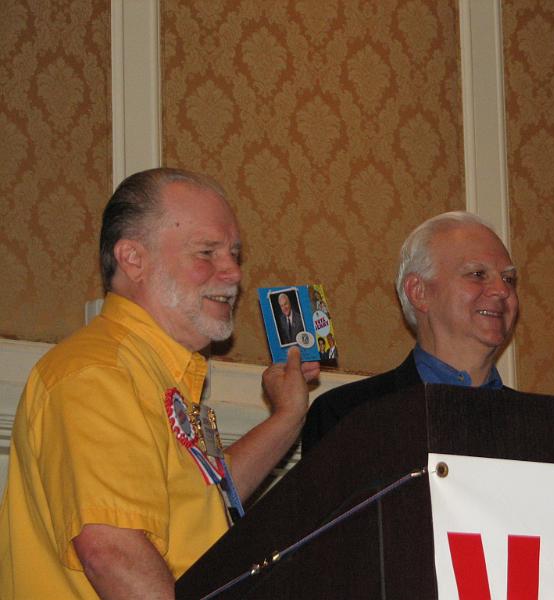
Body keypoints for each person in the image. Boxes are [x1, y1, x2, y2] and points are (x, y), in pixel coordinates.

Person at [0, 168, 320, 599]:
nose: (233, 274)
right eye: (207, 253)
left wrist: (287, 418)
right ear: (134, 259)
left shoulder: (152, 372)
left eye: (235, 254)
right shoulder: (98, 374)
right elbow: (113, 553)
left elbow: (205, 502)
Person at [301, 211, 518, 453]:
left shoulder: (539, 422)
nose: (502, 290)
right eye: (478, 274)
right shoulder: (348, 414)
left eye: (509, 279)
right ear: (419, 292)